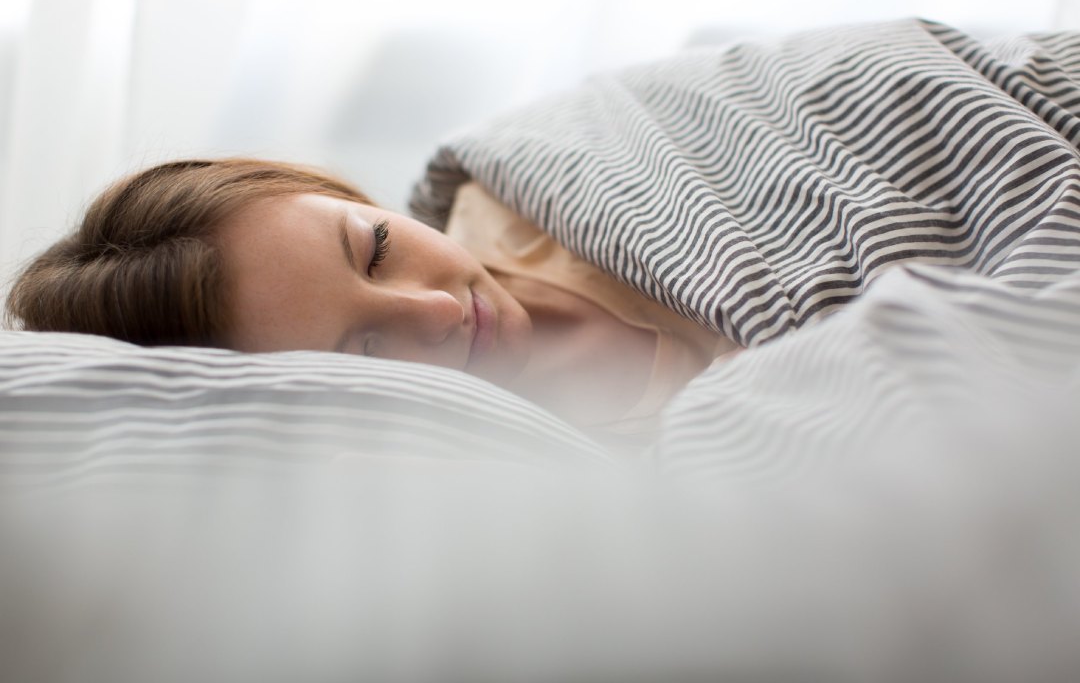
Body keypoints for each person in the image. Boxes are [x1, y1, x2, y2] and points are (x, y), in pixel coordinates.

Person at [4, 158, 738, 434]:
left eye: (376, 249)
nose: (439, 312)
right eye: (368, 353)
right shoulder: (564, 490)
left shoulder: (529, 187)